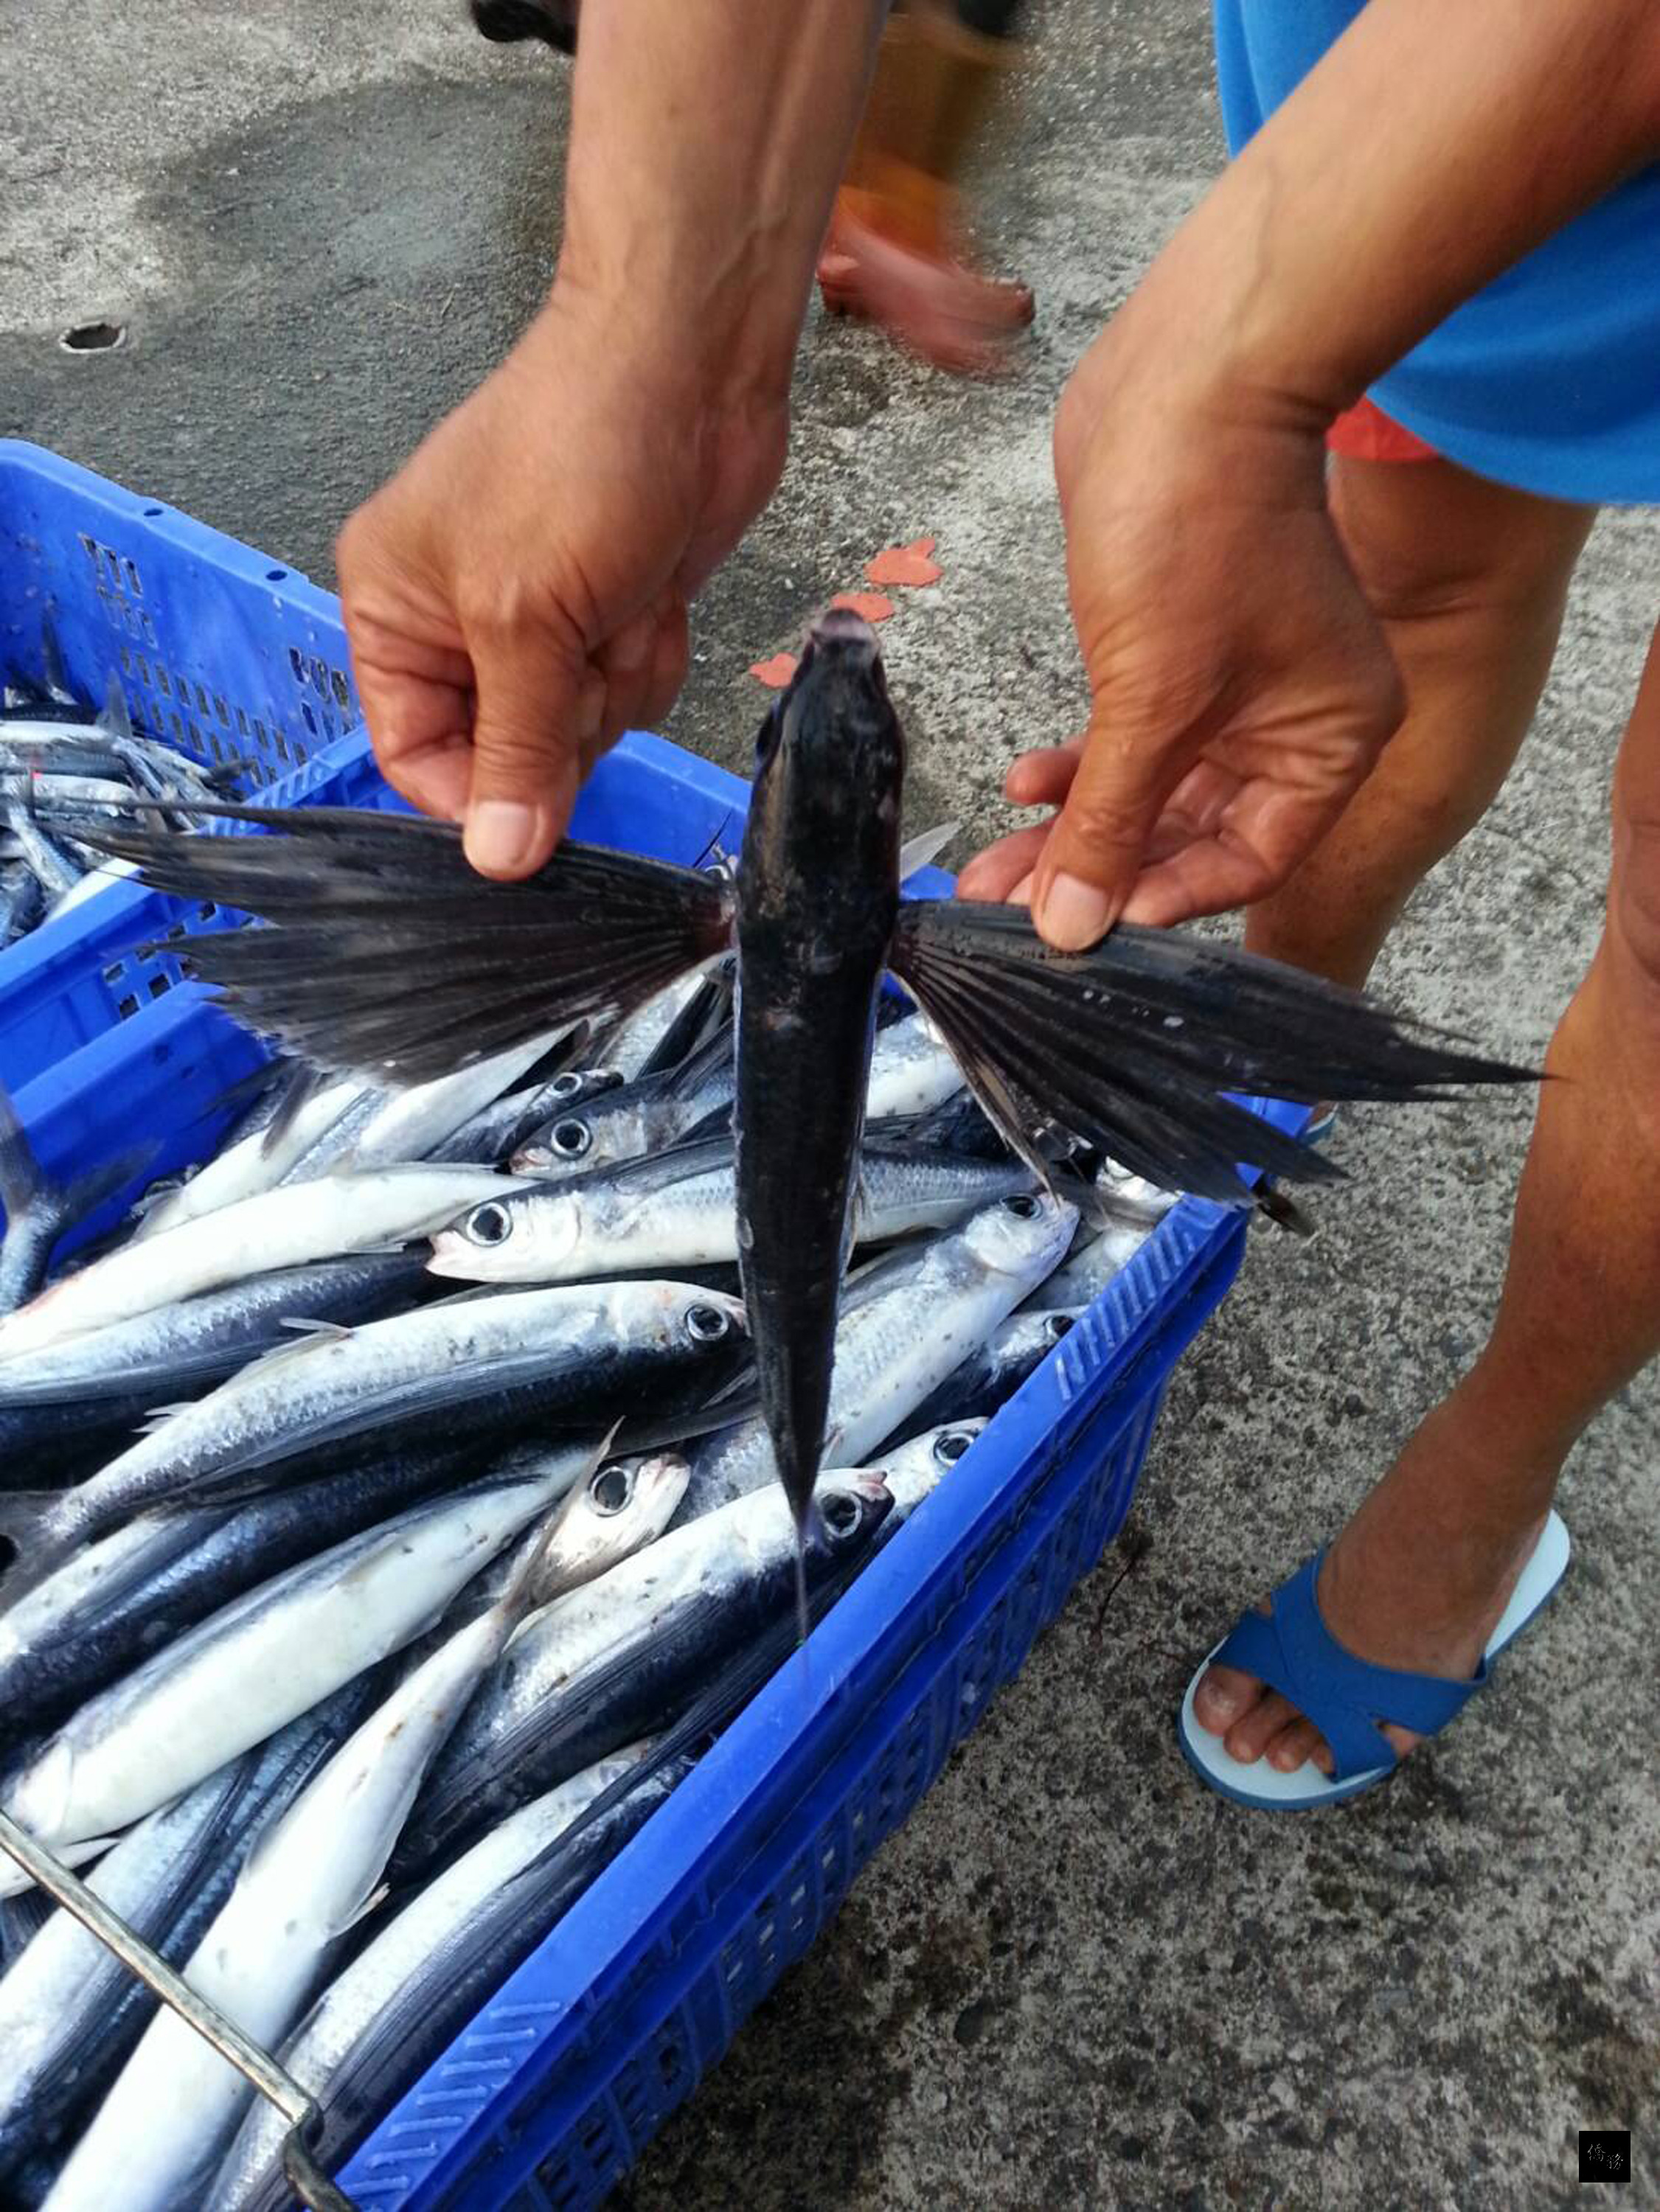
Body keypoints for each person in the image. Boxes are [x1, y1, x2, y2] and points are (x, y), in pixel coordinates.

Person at [337, 0, 1660, 1808]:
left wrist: (1217, 368)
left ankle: (1492, 1476)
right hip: (1395, 78)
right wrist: (644, 329)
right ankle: (1259, 1060)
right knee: (1397, 603)